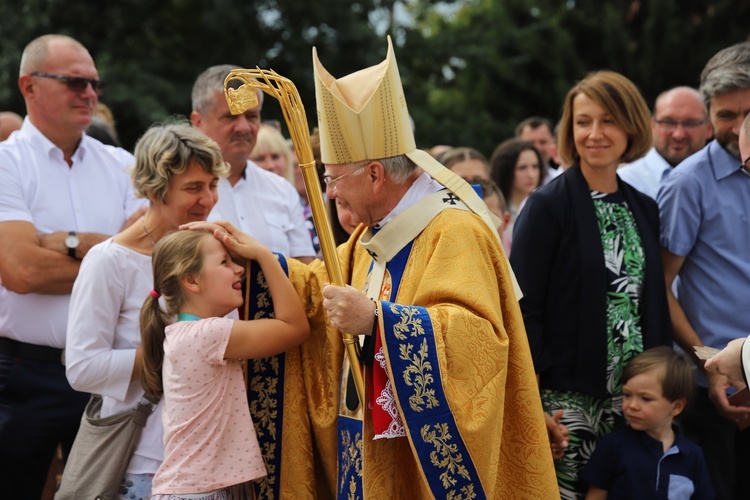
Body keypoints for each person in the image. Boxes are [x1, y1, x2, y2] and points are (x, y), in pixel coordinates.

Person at [219, 35, 558, 499]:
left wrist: (378, 320)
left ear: (375, 174)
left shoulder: (453, 231)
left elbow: (477, 343)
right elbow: (320, 287)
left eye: (334, 178)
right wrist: (260, 261)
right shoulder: (372, 233)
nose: (330, 192)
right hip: (367, 454)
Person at [510, 70, 673, 499]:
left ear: (632, 127)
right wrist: (534, 402)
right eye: (583, 122)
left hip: (635, 405)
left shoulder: (645, 208)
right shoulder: (547, 205)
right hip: (567, 406)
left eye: (608, 120)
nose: (595, 133)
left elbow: (648, 304)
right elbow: (524, 308)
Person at [0, 34, 145, 499]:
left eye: (94, 84)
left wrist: (61, 242)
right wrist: (111, 257)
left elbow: (147, 263)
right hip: (24, 374)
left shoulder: (123, 165)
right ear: (29, 86)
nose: (89, 94)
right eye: (74, 82)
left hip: (110, 373)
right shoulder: (6, 163)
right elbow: (21, 272)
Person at [64, 121, 228, 498]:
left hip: (212, 459)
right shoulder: (109, 261)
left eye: (212, 185)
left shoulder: (215, 249)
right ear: (155, 189)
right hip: (145, 462)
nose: (208, 199)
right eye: (193, 188)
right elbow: (82, 368)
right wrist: (175, 352)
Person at [142, 224, 309, 499]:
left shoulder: (190, 333)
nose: (240, 268)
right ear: (192, 280)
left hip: (201, 488)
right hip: (200, 492)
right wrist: (263, 255)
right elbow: (294, 327)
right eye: (225, 262)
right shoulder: (207, 335)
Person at [657, 41, 750, 500]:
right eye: (724, 115)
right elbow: (660, 284)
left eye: (746, 113)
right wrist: (709, 365)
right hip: (719, 394)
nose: (735, 128)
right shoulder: (688, 183)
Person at [190, 64, 315, 263]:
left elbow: (305, 272)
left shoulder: (281, 190)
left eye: (251, 116)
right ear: (198, 122)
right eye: (230, 116)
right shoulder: (178, 191)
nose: (243, 127)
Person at [582, 347, 714, 500]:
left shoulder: (693, 455)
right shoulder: (614, 446)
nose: (632, 405)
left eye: (645, 398)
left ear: (676, 406)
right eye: (627, 395)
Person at [617, 87, 712, 199]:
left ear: (709, 128)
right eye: (668, 122)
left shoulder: (725, 181)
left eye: (690, 123)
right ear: (652, 125)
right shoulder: (624, 183)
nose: (678, 134)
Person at [489, 137, 543, 251]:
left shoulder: (546, 205)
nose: (531, 174)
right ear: (505, 170)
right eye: (522, 168)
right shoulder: (494, 208)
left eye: (535, 166)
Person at [516, 116, 563, 183]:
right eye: (530, 143)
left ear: (553, 143)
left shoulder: (562, 180)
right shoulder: (506, 185)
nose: (537, 148)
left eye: (543, 142)